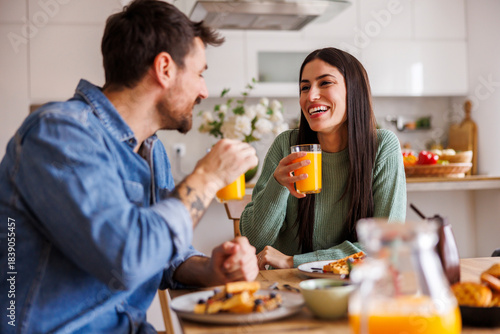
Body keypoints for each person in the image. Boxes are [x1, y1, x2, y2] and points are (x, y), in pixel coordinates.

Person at [0, 1, 259, 333]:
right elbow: (129, 259)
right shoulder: (59, 134)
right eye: (200, 74)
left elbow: (165, 260)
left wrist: (211, 269)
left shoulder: (152, 151)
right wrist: (208, 176)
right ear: (164, 68)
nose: (204, 91)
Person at [240, 47, 406, 270]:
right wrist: (277, 186)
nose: (311, 96)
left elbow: (386, 245)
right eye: (304, 87)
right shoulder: (285, 146)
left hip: (354, 286)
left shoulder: (382, 147)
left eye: (325, 83)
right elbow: (254, 242)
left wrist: (294, 261)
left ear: (353, 90)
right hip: (286, 287)